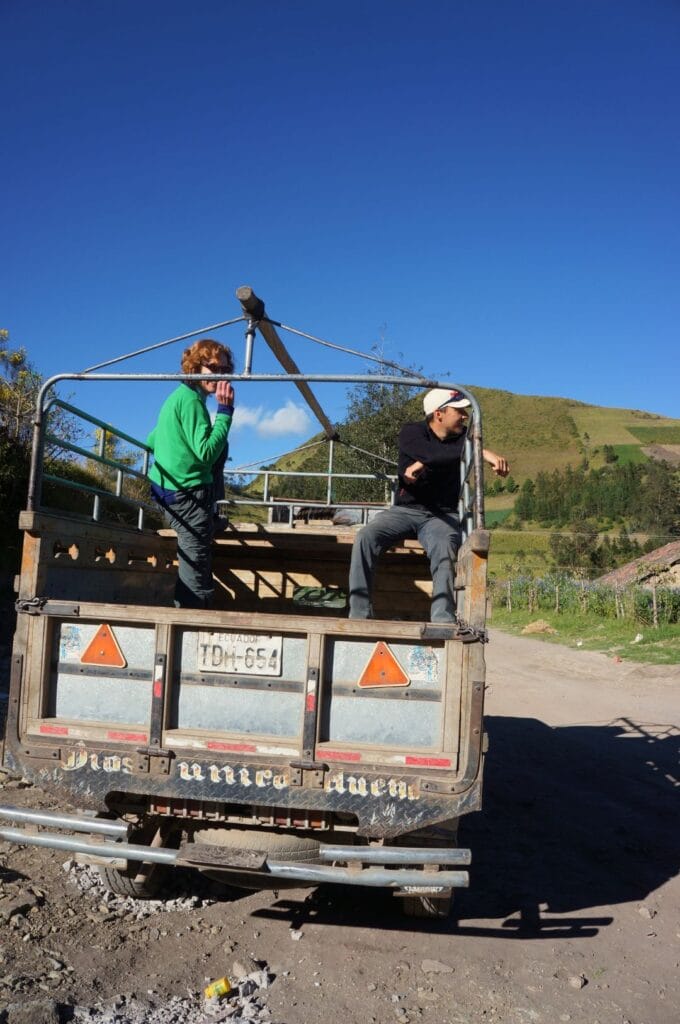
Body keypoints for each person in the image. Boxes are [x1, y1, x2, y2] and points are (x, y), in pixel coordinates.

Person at [348, 387, 509, 623]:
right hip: (405, 510)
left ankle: (442, 619)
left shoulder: (462, 438)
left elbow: (439, 455)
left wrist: (430, 461)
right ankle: (359, 615)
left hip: (441, 516)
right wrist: (481, 452)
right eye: (459, 411)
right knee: (365, 537)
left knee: (444, 547)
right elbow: (432, 454)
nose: (464, 416)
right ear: (439, 414)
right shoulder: (411, 432)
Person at [147, 338, 235, 609]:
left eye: (224, 371)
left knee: (223, 447)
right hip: (188, 497)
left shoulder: (180, 397)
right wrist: (225, 412)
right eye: (212, 368)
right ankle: (189, 627)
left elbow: (152, 440)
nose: (219, 376)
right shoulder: (192, 403)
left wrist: (173, 446)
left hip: (167, 491)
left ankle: (209, 515)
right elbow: (206, 452)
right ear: (196, 367)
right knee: (196, 570)